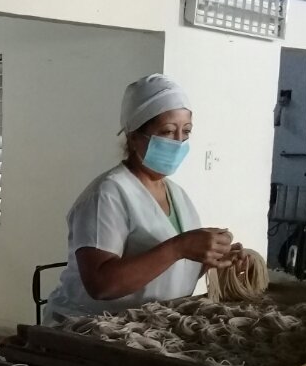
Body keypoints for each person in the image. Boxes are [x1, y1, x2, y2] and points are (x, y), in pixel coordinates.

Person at [44, 74, 245, 322]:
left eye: (186, 132)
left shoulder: (177, 195)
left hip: (147, 328)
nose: (179, 142)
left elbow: (166, 269)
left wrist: (208, 257)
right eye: (168, 131)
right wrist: (179, 247)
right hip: (88, 329)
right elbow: (101, 284)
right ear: (134, 136)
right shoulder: (108, 194)